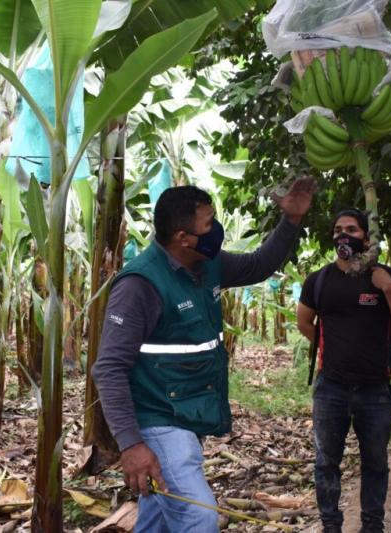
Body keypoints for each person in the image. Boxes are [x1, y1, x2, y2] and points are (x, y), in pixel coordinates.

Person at [92, 179, 315, 532]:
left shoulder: (205, 262)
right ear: (183, 237)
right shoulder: (140, 284)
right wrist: (131, 445)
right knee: (197, 515)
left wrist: (291, 221)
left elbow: (258, 265)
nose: (217, 230)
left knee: (160, 515)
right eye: (209, 223)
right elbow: (108, 368)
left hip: (188, 410)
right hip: (160, 418)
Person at [297, 208, 391, 533]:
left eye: (351, 228)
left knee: (376, 463)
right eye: (338, 229)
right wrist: (333, 348)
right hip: (331, 387)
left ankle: (372, 526)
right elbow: (303, 321)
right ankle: (330, 525)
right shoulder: (319, 280)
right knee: (326, 463)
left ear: (366, 236)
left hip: (375, 389)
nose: (343, 234)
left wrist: (389, 288)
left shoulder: (387, 276)